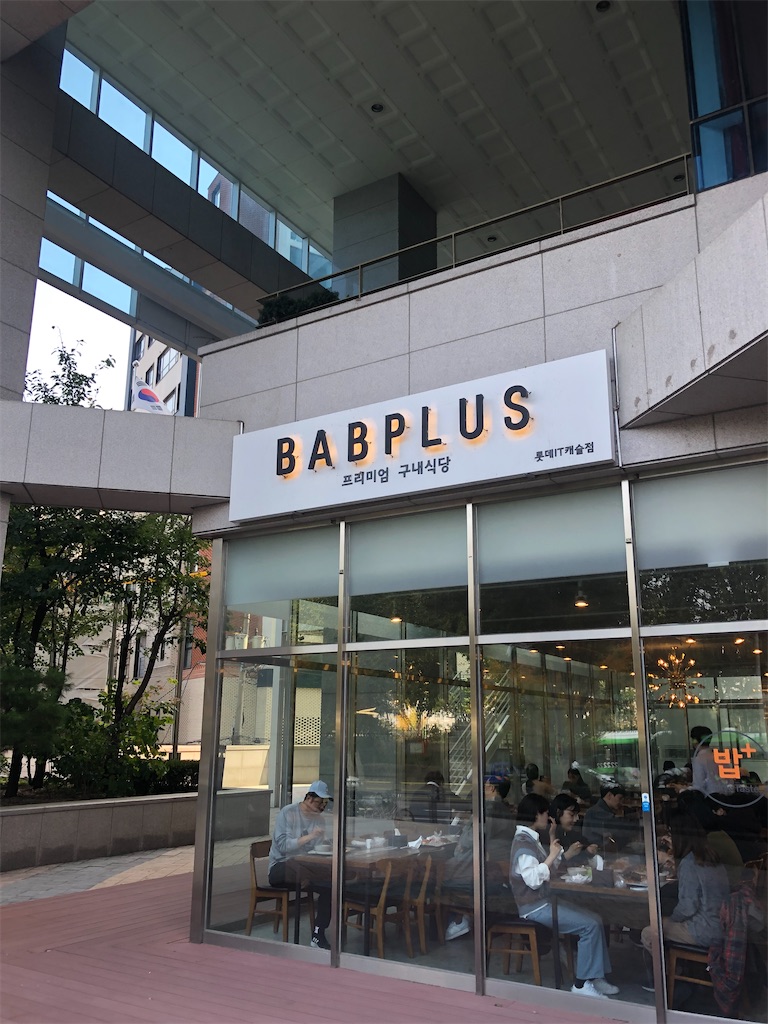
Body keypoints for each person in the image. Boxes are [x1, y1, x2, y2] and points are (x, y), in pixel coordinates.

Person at [509, 794, 618, 999]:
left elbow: (549, 867)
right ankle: (581, 983)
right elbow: (533, 880)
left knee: (596, 919)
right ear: (537, 814)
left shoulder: (530, 839)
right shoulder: (523, 844)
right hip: (534, 906)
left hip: (543, 901)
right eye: (545, 813)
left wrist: (552, 843)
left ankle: (595, 976)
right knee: (589, 926)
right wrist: (551, 855)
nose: (548, 817)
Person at [640, 810, 729, 957]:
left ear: (678, 836)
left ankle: (667, 969)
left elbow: (688, 908)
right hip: (722, 925)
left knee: (649, 932)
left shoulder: (689, 863)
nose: (668, 838)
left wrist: (669, 920)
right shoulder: (711, 855)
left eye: (670, 833)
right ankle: (679, 963)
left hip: (703, 930)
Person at [268, 780, 334, 949]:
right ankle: (307, 877)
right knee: (295, 867)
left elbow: (315, 849)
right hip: (281, 866)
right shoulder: (288, 813)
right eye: (320, 802)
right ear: (309, 799)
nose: (322, 807)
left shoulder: (319, 820)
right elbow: (283, 846)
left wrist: (324, 842)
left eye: (325, 803)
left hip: (305, 867)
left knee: (330, 883)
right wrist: (310, 836)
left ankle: (318, 933)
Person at [547, 793, 599, 868]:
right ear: (558, 812)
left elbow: (585, 845)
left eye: (577, 815)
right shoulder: (548, 834)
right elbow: (549, 867)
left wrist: (589, 850)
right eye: (571, 815)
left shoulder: (571, 834)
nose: (576, 819)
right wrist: (568, 854)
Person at [581, 784, 638, 851]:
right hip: (599, 850)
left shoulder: (599, 810)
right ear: (609, 795)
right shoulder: (597, 813)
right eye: (619, 798)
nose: (621, 802)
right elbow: (620, 828)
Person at [690, 725, 726, 796]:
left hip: (710, 799)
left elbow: (698, 787)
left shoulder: (699, 759)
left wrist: (683, 789)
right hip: (727, 798)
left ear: (695, 741)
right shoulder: (721, 757)